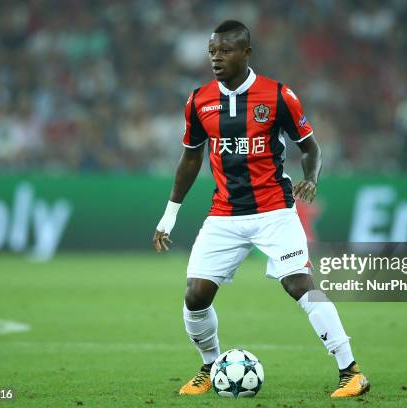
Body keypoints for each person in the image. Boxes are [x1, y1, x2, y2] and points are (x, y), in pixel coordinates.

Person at [153, 20, 369, 398]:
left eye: (225, 50)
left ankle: (351, 371)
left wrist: (312, 179)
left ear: (246, 53)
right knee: (195, 295)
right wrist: (170, 213)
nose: (216, 58)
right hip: (224, 214)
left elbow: (311, 149)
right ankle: (210, 366)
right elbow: (190, 159)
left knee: (299, 285)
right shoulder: (199, 100)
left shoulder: (278, 96)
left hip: (274, 210)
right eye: (212, 51)